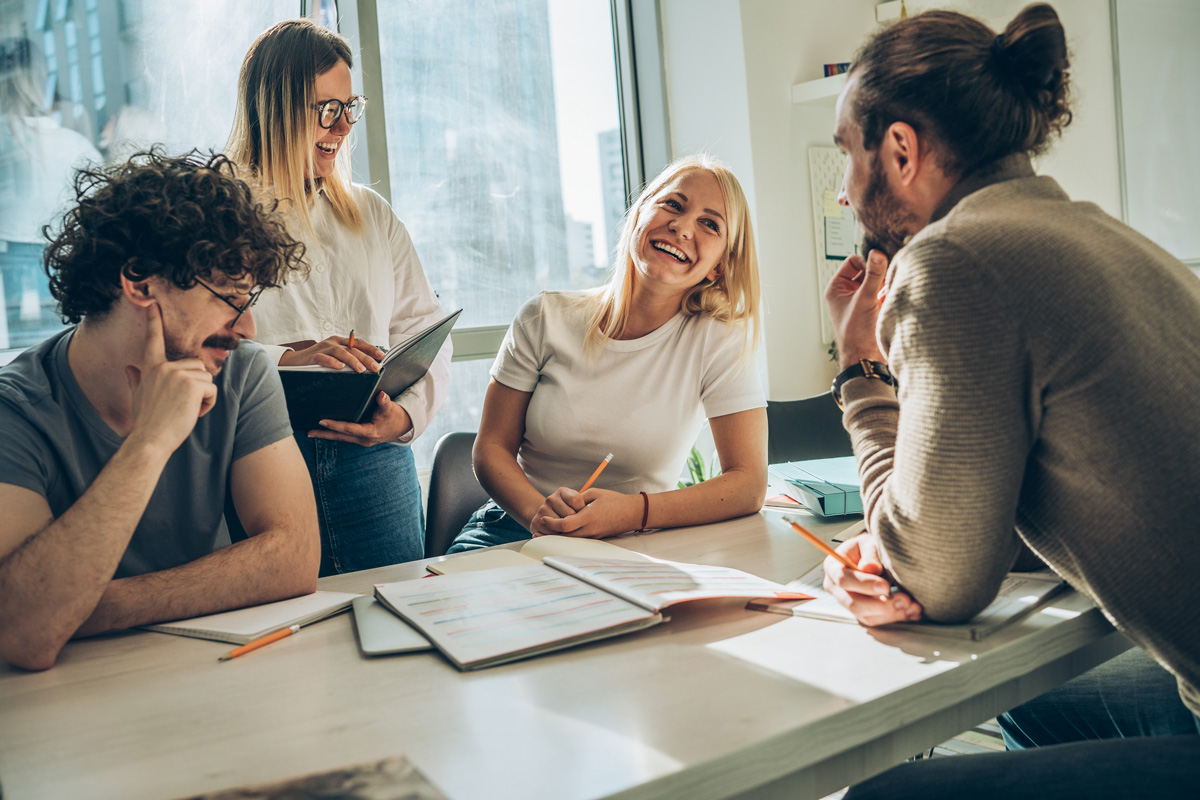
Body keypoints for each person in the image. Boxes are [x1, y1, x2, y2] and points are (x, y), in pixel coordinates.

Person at [815, 5, 1200, 797]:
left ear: (899, 150)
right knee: (1032, 704)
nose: (846, 192)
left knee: (887, 793)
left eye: (847, 155)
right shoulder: (1091, 232)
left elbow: (943, 582)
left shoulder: (956, 259)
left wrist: (860, 371)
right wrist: (893, 542)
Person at [0, 150, 320, 671]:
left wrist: (91, 605)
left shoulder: (239, 373)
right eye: (231, 298)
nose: (248, 329)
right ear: (141, 282)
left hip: (214, 670)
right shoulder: (16, 412)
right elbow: (22, 631)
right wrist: (148, 443)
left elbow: (295, 558)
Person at [448, 155, 767, 553]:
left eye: (710, 223)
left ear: (718, 268)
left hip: (637, 543)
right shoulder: (543, 317)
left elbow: (748, 484)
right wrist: (540, 517)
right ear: (639, 216)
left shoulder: (718, 341)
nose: (682, 227)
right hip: (513, 528)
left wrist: (633, 513)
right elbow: (491, 447)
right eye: (673, 204)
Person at [226, 20, 451, 575]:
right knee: (285, 635)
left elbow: (424, 330)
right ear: (276, 108)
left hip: (375, 463)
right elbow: (183, 343)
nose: (344, 125)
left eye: (351, 107)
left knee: (401, 615)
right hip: (263, 456)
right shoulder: (217, 209)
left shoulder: (370, 213)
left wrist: (402, 420)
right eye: (328, 109)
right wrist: (287, 359)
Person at [0, 36, 101, 349]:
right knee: (56, 355)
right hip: (61, 257)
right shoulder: (75, 145)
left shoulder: (7, 139)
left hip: (10, 256)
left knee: (16, 356)